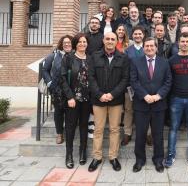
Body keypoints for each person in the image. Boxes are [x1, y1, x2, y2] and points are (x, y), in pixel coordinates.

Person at [88, 32, 129, 172]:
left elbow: (125, 79)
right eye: (108, 39)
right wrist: (100, 94)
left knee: (114, 129)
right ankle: (97, 157)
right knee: (98, 130)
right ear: (103, 40)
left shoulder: (123, 57)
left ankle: (113, 157)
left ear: (117, 41)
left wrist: (112, 94)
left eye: (113, 39)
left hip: (115, 101)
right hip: (98, 100)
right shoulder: (95, 56)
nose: (110, 41)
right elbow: (91, 77)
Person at [130, 37, 172, 173]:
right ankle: (139, 160)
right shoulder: (136, 62)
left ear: (156, 48)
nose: (149, 48)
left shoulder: (164, 62)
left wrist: (158, 96)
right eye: (146, 46)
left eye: (151, 46)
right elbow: (134, 81)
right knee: (141, 134)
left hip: (159, 105)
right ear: (143, 48)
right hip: (141, 104)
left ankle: (158, 160)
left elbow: (168, 81)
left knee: (158, 135)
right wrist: (145, 95)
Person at [165, 32, 188, 170]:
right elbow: (168, 80)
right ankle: (170, 154)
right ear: (178, 43)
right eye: (182, 41)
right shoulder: (172, 60)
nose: (185, 43)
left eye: (187, 41)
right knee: (173, 128)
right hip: (176, 99)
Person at [61, 33, 90, 169]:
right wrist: (70, 97)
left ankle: (83, 152)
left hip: (86, 100)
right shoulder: (68, 58)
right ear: (75, 44)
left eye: (84, 42)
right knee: (70, 127)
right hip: (73, 99)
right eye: (80, 42)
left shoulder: (90, 59)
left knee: (84, 126)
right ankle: (69, 155)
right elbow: (62, 79)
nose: (82, 44)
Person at [42, 34, 73, 144]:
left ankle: (69, 133)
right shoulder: (54, 56)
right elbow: (45, 70)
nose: (67, 44)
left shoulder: (74, 55)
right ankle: (59, 134)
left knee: (70, 113)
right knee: (58, 112)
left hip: (71, 90)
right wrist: (50, 83)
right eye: (65, 43)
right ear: (61, 44)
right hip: (57, 89)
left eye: (69, 42)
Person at [121, 26, 145, 146]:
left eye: (140, 34)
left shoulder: (148, 48)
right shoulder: (127, 50)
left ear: (143, 36)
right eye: (135, 34)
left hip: (145, 86)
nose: (137, 36)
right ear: (132, 36)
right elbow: (124, 68)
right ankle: (127, 133)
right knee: (128, 110)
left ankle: (148, 133)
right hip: (130, 86)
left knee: (146, 110)